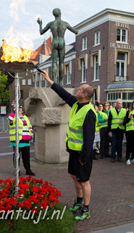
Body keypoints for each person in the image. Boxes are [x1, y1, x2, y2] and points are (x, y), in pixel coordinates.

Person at [40, 70, 96, 221]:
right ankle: (79, 201)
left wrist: (84, 158)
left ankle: (86, 208)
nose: (76, 90)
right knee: (74, 176)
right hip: (73, 151)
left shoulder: (89, 112)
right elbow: (63, 94)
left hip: (82, 154)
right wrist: (49, 80)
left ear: (84, 94)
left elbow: (89, 139)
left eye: (79, 89)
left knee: (84, 180)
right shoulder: (77, 104)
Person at [37, 8, 78, 85]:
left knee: (54, 63)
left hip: (55, 42)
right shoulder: (65, 24)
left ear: (54, 15)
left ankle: (54, 82)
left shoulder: (51, 24)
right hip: (62, 42)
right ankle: (61, 83)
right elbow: (75, 32)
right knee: (62, 63)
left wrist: (40, 25)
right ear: (60, 13)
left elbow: (41, 32)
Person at [8, 106, 35, 176]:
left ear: (22, 111)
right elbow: (10, 119)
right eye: (18, 109)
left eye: (20, 109)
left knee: (26, 156)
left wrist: (30, 134)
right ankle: (17, 170)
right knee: (17, 156)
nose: (19, 110)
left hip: (26, 140)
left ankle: (28, 170)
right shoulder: (14, 117)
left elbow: (29, 126)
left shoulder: (25, 117)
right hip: (17, 140)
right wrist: (13, 112)